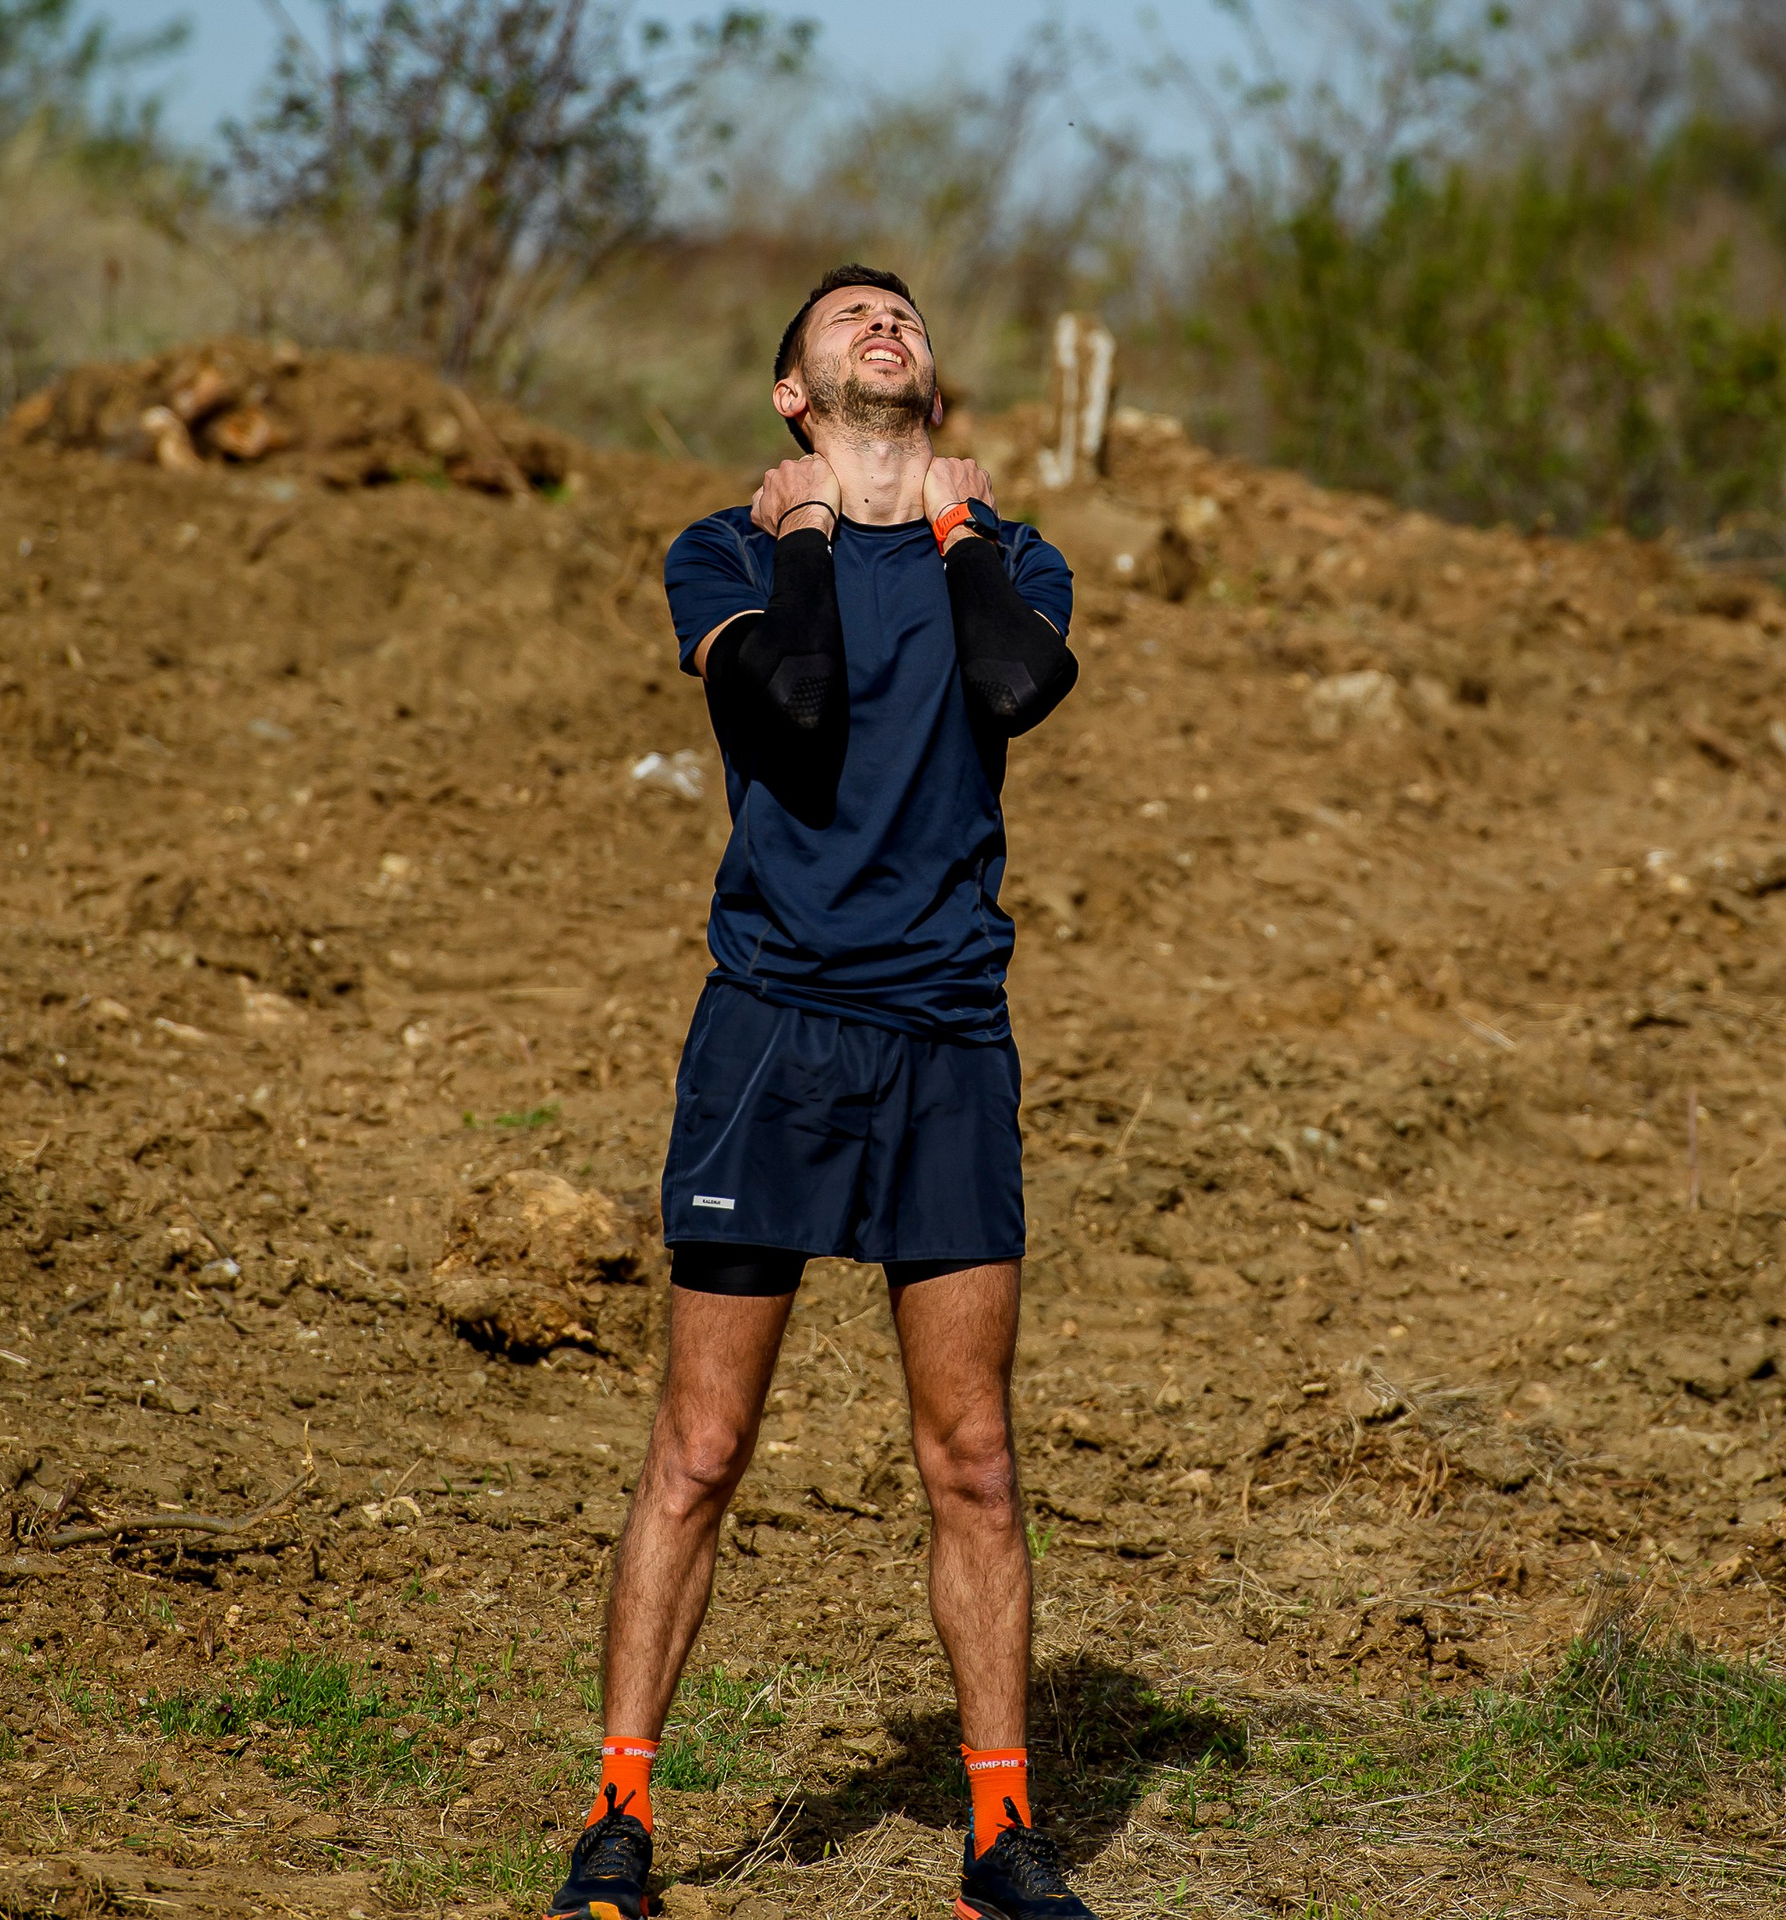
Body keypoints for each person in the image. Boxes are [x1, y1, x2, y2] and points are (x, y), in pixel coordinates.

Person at [545, 265, 1088, 1920]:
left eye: (903, 315)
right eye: (849, 317)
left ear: (934, 383)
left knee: (974, 1458)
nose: (884, 324)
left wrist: (957, 533)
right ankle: (619, 1819)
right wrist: (802, 536)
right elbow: (791, 703)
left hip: (948, 1038)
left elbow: (1014, 689)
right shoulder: (723, 550)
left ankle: (1000, 1842)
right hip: (772, 1034)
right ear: (794, 391)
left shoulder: (1009, 555)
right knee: (701, 1448)